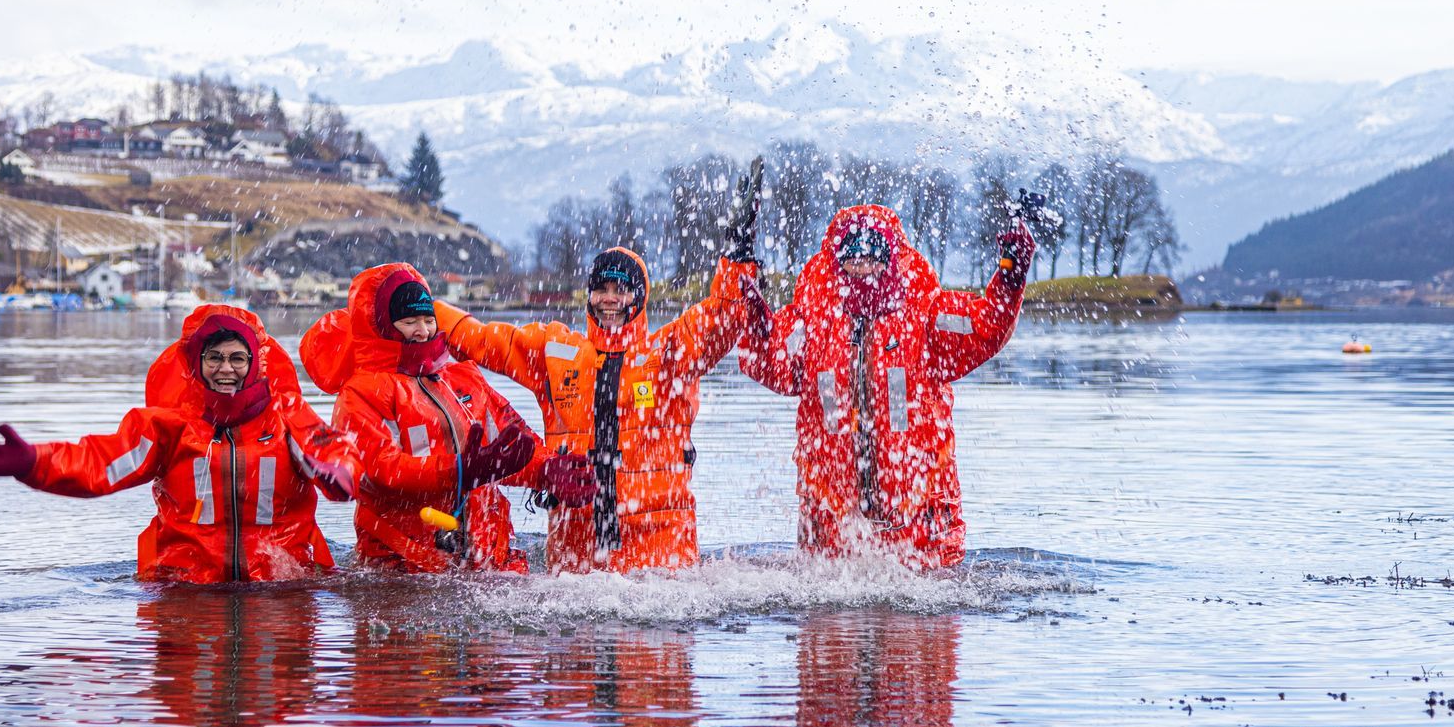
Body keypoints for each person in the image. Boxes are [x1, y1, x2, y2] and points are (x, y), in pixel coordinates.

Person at [431, 161, 767, 573]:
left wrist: (738, 254)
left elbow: (726, 316)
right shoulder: (554, 351)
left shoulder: (670, 353)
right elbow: (479, 339)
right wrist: (414, 303)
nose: (610, 299)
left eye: (621, 290)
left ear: (639, 298)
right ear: (588, 295)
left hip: (661, 555)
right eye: (601, 289)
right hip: (577, 555)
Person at [0, 304, 356, 583]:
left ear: (255, 365)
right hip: (187, 589)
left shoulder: (289, 419)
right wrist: (31, 462)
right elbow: (100, 463)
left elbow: (331, 449)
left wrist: (340, 472)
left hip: (284, 590)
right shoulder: (167, 428)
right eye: (214, 357)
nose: (225, 369)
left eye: (237, 358)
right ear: (195, 364)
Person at [737, 205, 1034, 568]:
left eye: (873, 257)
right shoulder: (811, 320)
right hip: (831, 539)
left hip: (921, 537)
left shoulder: (927, 315)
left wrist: (1011, 275)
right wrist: (750, 310)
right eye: (853, 258)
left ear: (891, 257)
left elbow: (984, 326)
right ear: (837, 261)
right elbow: (766, 358)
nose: (863, 267)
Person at [301, 264, 540, 573]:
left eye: (428, 320)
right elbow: (381, 470)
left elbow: (515, 441)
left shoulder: (464, 377)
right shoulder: (360, 394)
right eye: (409, 321)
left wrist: (548, 469)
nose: (423, 330)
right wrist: (459, 470)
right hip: (402, 563)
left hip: (487, 559)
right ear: (383, 327)